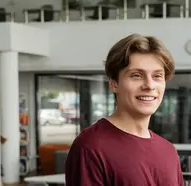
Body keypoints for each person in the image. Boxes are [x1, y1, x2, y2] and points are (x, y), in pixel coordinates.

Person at [65, 33, 183, 186]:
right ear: (114, 84)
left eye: (157, 76)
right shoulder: (90, 147)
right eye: (136, 75)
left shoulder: (168, 151)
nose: (149, 85)